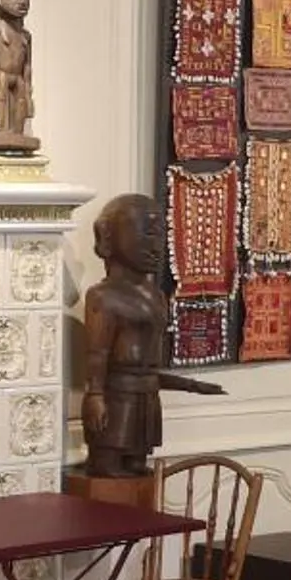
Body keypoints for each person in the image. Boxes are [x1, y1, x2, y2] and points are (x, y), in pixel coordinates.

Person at [80, 193, 220, 479]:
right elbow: (98, 354)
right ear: (108, 235)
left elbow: (150, 368)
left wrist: (191, 385)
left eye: (161, 234)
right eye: (147, 232)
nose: (157, 244)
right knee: (109, 472)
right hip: (117, 399)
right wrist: (95, 395)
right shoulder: (103, 297)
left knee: (138, 473)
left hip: (147, 400)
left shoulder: (156, 297)